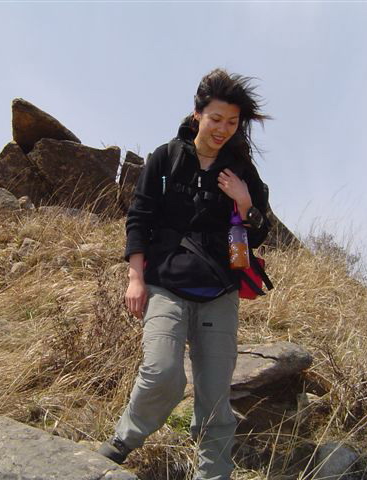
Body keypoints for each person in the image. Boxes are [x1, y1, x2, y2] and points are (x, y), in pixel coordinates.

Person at [97, 68, 271, 480]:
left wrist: (244, 203)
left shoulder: (241, 171)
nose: (223, 129)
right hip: (165, 284)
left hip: (219, 291)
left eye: (232, 122)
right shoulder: (166, 158)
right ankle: (123, 440)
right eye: (216, 119)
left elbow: (259, 232)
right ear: (197, 114)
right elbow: (139, 218)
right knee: (161, 373)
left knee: (214, 396)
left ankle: (213, 474)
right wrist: (135, 278)